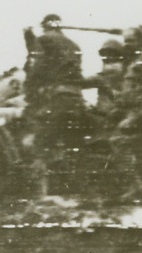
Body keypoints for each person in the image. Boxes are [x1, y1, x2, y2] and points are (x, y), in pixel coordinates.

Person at [22, 14, 85, 194]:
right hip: (76, 100)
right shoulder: (74, 45)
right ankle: (79, 191)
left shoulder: (43, 40)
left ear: (44, 27)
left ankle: (39, 195)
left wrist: (30, 91)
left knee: (40, 143)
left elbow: (36, 68)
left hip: (57, 99)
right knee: (71, 145)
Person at [83, 38, 126, 111]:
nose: (108, 56)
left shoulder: (122, 72)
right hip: (102, 113)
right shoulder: (101, 77)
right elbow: (82, 82)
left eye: (110, 53)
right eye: (105, 54)